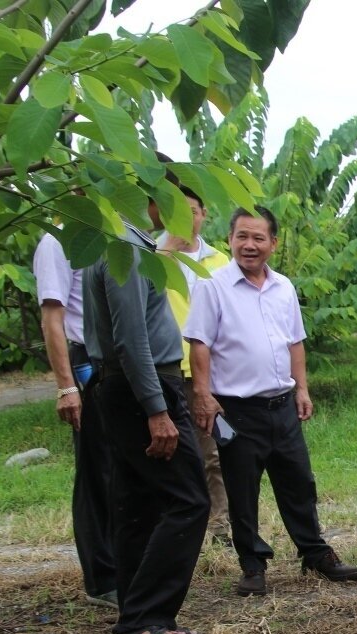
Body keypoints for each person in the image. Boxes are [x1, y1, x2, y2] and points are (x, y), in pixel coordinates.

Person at [184, 206, 357, 597]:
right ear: (229, 239)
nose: (250, 245)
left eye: (258, 238)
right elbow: (200, 345)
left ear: (273, 244)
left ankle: (314, 553)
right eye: (242, 236)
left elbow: (294, 342)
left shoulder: (283, 287)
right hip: (235, 409)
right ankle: (252, 564)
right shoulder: (212, 286)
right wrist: (202, 394)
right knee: (242, 490)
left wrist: (302, 388)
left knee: (299, 482)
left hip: (281, 405)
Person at [82, 184, 209, 634]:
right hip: (143, 386)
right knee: (190, 499)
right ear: (150, 199)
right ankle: (151, 613)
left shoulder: (116, 244)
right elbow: (130, 339)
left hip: (125, 386)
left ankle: (133, 616)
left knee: (138, 504)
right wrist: (157, 410)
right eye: (172, 200)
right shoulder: (127, 250)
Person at [33, 232, 116, 607]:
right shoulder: (59, 242)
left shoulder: (116, 236)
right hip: (86, 364)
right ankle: (101, 579)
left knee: (123, 471)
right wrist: (66, 386)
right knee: (97, 471)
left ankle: (126, 566)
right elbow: (53, 315)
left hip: (117, 361)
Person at [158, 187, 232, 544]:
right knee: (166, 451)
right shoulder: (150, 254)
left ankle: (219, 526)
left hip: (209, 371)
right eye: (179, 211)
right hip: (164, 369)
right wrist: (165, 252)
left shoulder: (220, 261)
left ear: (205, 215)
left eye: (194, 211)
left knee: (213, 451)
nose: (187, 219)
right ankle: (172, 524)